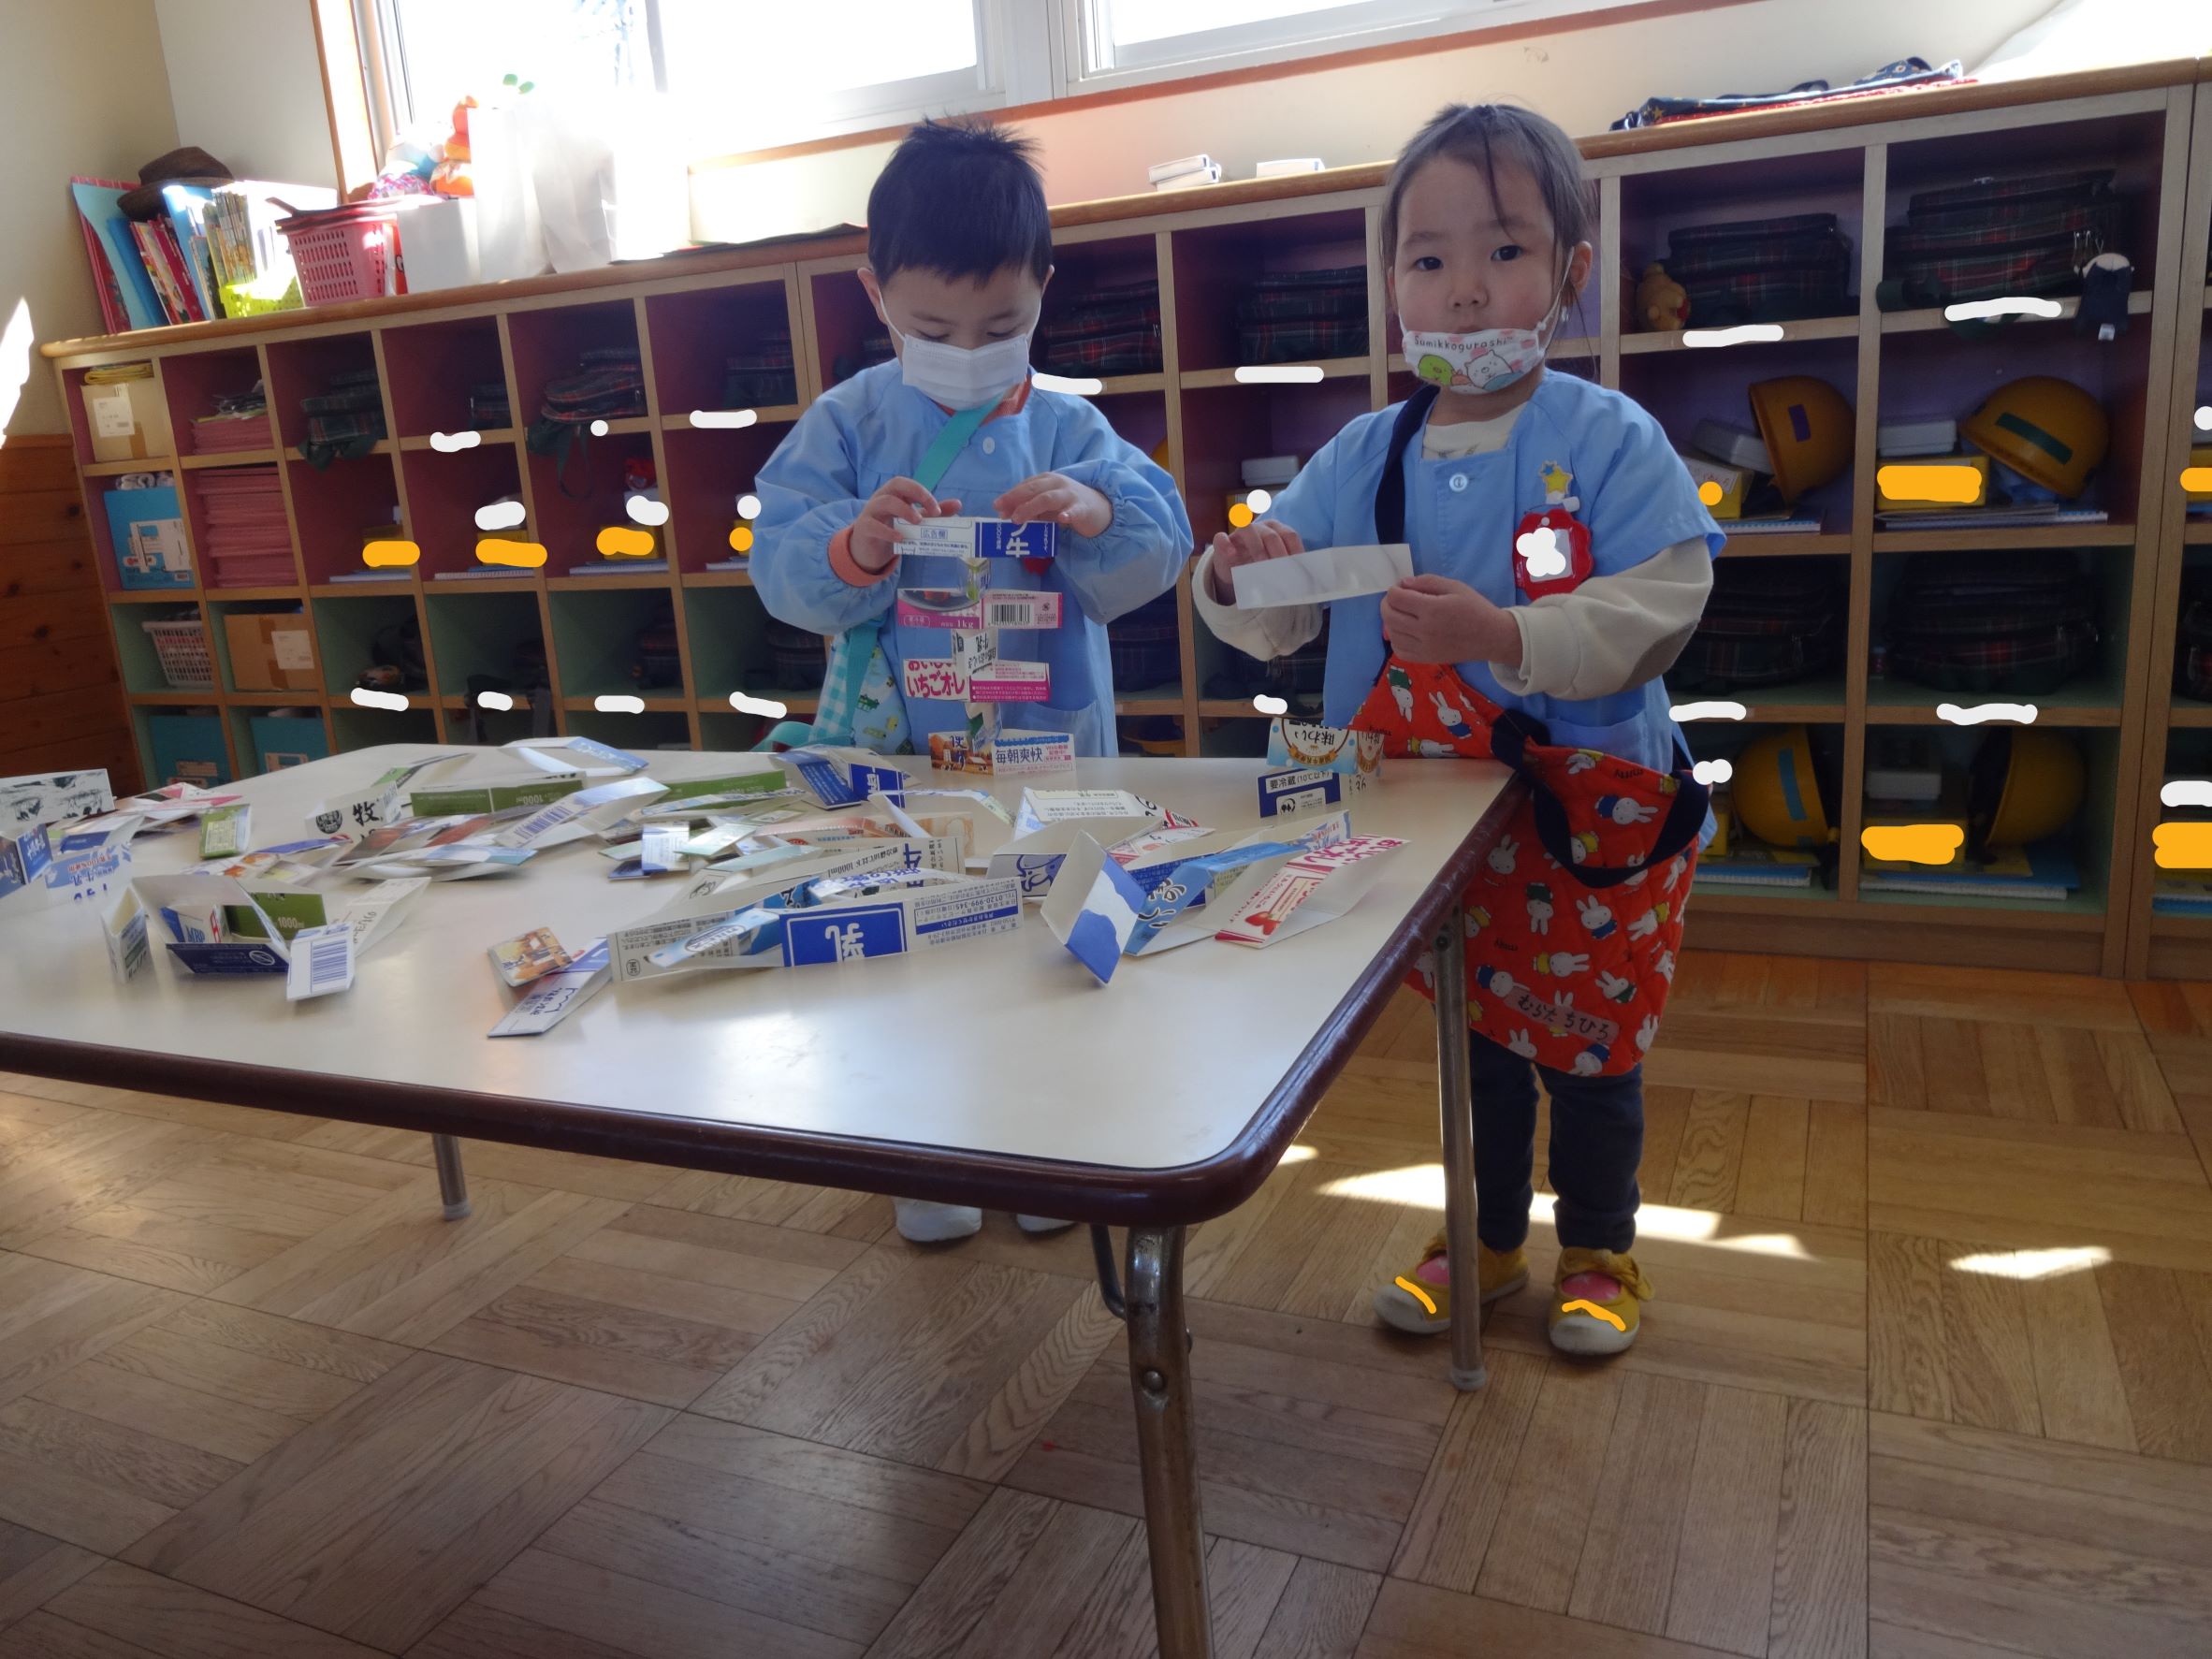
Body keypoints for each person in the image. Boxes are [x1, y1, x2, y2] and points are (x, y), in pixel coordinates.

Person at [1193, 103, 1722, 1355]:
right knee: (1472, 1043)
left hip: (1589, 820)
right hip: (1429, 824)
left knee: (1590, 1052)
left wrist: (1504, 635)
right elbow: (1273, 618)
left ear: (1571, 274)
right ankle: (1481, 1238)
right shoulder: (1361, 455)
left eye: (1504, 251)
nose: (1466, 290)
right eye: (1429, 259)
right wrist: (1235, 572)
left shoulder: (1610, 440)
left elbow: (1662, 604)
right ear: (1391, 285)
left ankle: (1599, 1248)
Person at [752, 118, 1193, 1245]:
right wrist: (857, 546)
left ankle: (1050, 1150)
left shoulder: (1070, 424)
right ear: (875, 294)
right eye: (932, 327)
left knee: (1053, 942)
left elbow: (1154, 554)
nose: (966, 350)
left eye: (999, 327)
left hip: (1053, 750)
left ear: (1043, 286)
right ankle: (926, 1154)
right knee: (912, 948)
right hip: (907, 760)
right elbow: (782, 570)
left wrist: (1098, 510)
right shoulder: (848, 423)